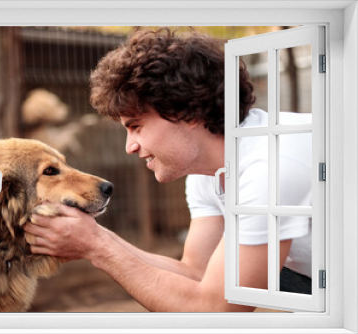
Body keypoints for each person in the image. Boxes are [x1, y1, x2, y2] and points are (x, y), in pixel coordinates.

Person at [23, 28, 313, 312]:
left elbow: (215, 309)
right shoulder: (207, 171)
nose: (130, 147)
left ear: (187, 112)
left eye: (136, 127)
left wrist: (97, 247)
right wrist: (95, 236)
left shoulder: (267, 163)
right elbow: (195, 273)